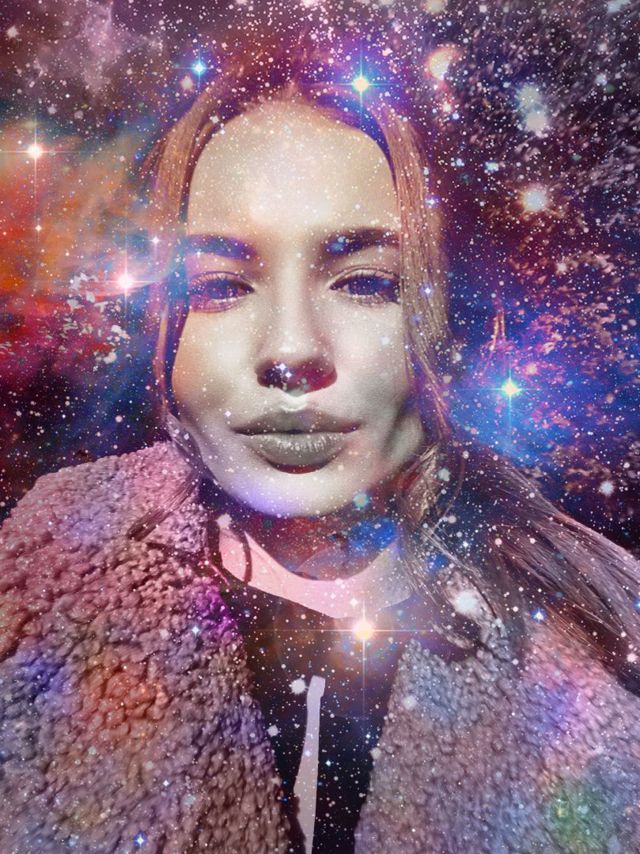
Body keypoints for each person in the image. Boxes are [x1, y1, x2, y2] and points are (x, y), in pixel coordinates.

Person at [1, 26, 640, 854]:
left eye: (365, 281)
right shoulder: (36, 588)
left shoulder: (605, 639)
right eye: (222, 286)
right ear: (166, 324)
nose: (291, 349)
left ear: (455, 315)